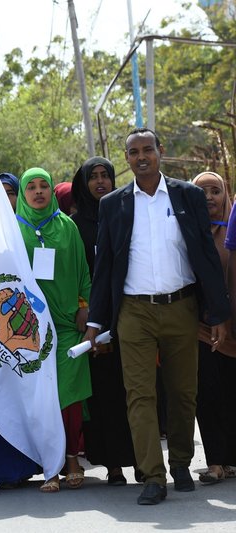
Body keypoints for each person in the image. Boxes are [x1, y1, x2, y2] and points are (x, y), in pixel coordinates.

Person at [84, 128, 229, 505]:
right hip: (133, 312)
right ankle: (153, 475)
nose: (142, 157)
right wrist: (96, 322)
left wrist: (218, 313)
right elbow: (104, 267)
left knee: (183, 392)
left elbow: (207, 258)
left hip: (182, 308)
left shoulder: (188, 196)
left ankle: (180, 463)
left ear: (160, 152)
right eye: (134, 152)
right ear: (127, 159)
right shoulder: (113, 204)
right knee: (140, 395)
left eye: (148, 149)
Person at [16, 167, 91, 493]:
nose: (38, 191)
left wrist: (85, 306)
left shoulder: (67, 226)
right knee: (40, 398)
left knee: (69, 396)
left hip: (67, 323)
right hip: (28, 329)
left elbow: (82, 270)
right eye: (30, 187)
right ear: (23, 194)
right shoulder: (13, 230)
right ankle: (52, 466)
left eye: (43, 185)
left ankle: (72, 458)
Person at [70, 157, 136, 485]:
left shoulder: (127, 215)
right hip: (93, 319)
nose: (100, 182)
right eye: (93, 177)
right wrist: (89, 317)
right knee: (104, 395)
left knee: (134, 391)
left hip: (130, 312)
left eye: (105, 176)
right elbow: (75, 275)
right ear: (83, 183)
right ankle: (112, 465)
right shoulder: (74, 225)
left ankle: (141, 460)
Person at [193, 171, 236, 483]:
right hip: (199, 329)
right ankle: (215, 462)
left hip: (234, 329)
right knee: (207, 395)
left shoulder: (233, 233)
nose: (209, 197)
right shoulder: (188, 234)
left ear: (226, 196)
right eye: (202, 191)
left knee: (232, 394)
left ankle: (232, 459)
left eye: (215, 191)